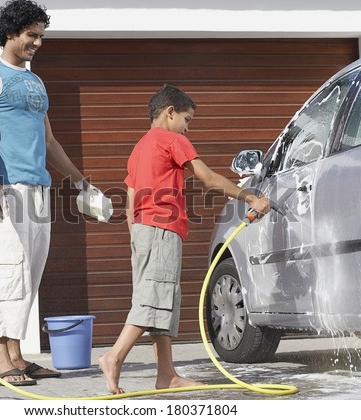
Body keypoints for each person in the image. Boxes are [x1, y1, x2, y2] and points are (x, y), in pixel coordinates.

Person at [98, 85, 271, 394]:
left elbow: (130, 199)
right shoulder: (174, 140)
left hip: (142, 232)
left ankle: (166, 375)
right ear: (170, 113)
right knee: (153, 301)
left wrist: (137, 240)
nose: (188, 128)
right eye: (187, 120)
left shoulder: (140, 148)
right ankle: (114, 357)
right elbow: (209, 179)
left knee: (162, 303)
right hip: (161, 231)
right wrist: (249, 197)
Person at [0, 0, 89, 386]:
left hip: (38, 189)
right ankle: (0, 361)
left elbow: (49, 140)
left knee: (28, 275)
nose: (38, 42)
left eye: (41, 36)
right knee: (5, 272)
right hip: (6, 189)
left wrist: (78, 179)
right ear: (10, 33)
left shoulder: (36, 81)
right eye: (31, 35)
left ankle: (18, 355)